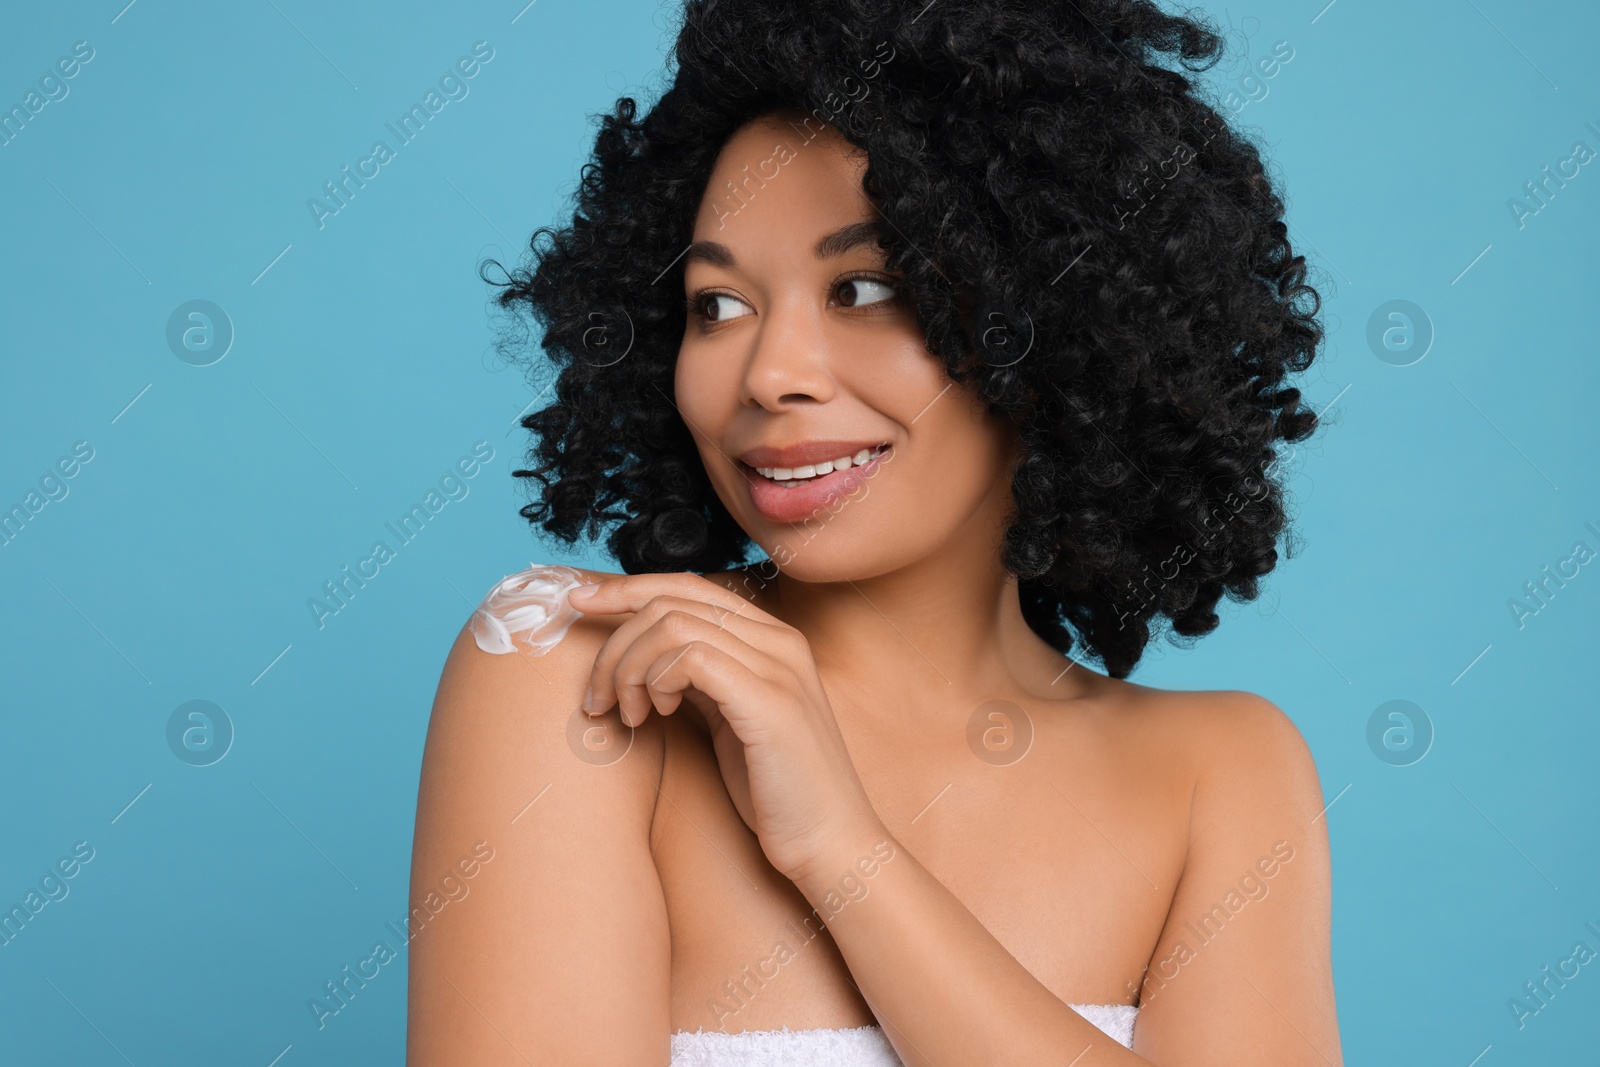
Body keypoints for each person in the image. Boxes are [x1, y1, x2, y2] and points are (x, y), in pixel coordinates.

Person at [407, 1, 1340, 1064]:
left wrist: (843, 853)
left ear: (1046, 323)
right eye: (717, 306)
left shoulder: (1221, 773)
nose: (767, 374)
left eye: (860, 288)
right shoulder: (585, 673)